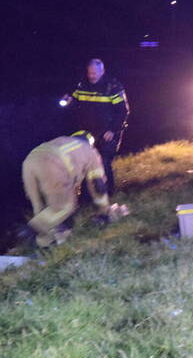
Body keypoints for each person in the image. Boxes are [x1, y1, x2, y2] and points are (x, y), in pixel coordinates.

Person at [22, 131, 110, 247]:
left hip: (29, 163)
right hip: (51, 164)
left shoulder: (63, 140)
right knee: (65, 207)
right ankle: (32, 228)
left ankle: (43, 244)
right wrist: (104, 211)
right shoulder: (90, 151)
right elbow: (97, 185)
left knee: (41, 209)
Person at [61, 58, 130, 194]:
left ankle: (109, 194)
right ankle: (86, 198)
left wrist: (113, 129)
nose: (91, 76)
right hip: (87, 132)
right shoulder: (82, 85)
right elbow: (75, 102)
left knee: (104, 163)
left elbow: (123, 111)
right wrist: (68, 101)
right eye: (90, 73)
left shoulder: (113, 87)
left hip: (108, 133)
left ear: (102, 71)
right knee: (86, 164)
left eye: (94, 73)